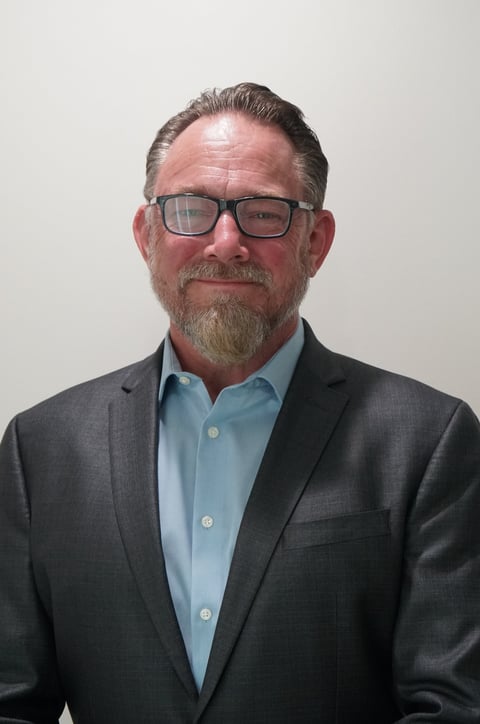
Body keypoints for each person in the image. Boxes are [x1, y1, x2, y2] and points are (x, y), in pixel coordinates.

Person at [0, 83, 479, 724]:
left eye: (262, 211)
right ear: (147, 234)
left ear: (315, 240)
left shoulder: (429, 440)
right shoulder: (41, 449)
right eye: (191, 208)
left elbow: (453, 707)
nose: (225, 242)